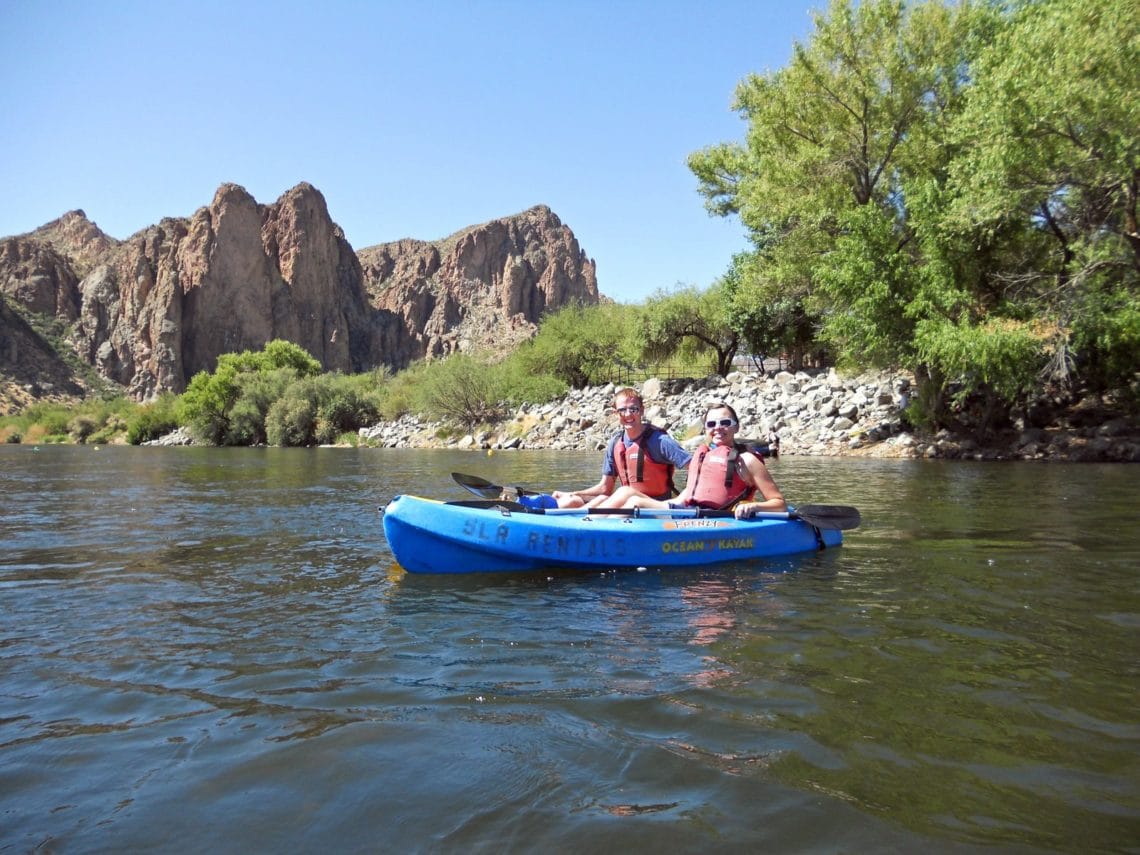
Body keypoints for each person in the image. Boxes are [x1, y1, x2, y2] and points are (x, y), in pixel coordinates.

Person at [600, 402, 786, 520]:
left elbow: (779, 503)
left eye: (725, 423)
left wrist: (754, 506)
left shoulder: (747, 460)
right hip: (686, 508)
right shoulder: (704, 453)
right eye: (711, 424)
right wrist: (672, 505)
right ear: (706, 429)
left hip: (710, 517)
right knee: (628, 494)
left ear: (736, 427)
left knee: (635, 503)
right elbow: (691, 492)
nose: (718, 428)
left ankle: (598, 534)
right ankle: (588, 522)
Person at [542, 387, 692, 509]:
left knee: (624, 492)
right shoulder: (616, 442)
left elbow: (697, 468)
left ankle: (584, 524)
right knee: (573, 501)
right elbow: (604, 489)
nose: (628, 414)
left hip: (654, 507)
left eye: (633, 409)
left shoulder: (660, 441)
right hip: (627, 503)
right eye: (622, 410)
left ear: (641, 410)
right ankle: (549, 513)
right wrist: (572, 493)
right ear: (616, 413)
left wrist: (682, 499)